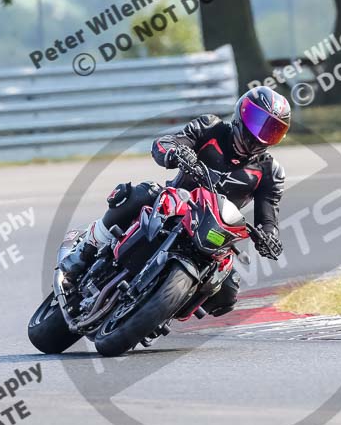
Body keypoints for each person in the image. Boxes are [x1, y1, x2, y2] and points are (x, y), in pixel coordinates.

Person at [60, 86, 290, 316]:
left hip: (214, 230)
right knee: (140, 193)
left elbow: (268, 216)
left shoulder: (270, 171)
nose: (261, 134)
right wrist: (174, 152)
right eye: (258, 123)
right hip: (176, 204)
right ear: (242, 113)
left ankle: (163, 311)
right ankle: (86, 249)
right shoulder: (211, 127)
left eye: (272, 130)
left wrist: (269, 238)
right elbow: (166, 142)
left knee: (227, 294)